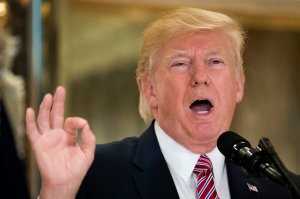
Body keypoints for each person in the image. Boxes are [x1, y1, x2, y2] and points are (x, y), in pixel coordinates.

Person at [26, 7, 298, 199]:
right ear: (150, 90)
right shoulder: (94, 174)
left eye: (215, 62)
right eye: (180, 63)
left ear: (239, 84)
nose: (200, 77)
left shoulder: (280, 187)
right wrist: (58, 192)